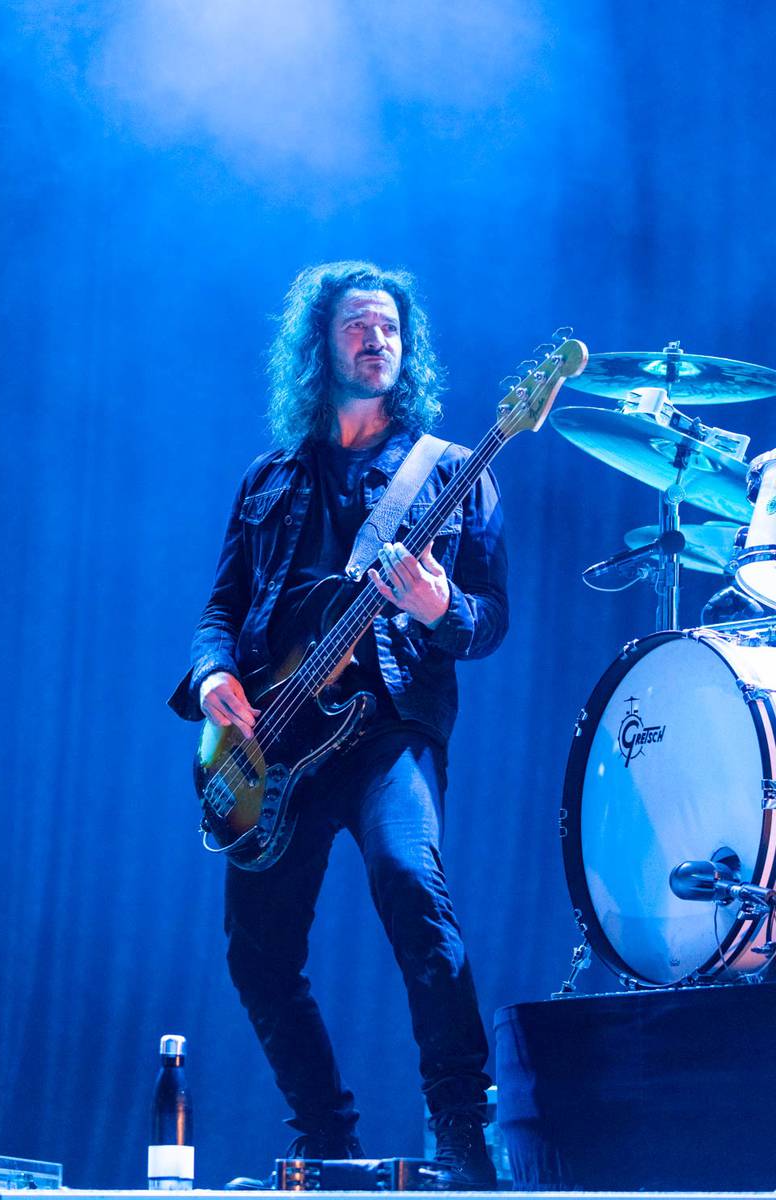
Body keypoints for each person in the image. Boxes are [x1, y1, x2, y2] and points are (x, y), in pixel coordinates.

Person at [168, 260, 509, 1188]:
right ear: (321, 343)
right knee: (257, 955)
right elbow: (220, 609)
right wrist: (213, 682)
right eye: (359, 324)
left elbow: (489, 619)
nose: (378, 338)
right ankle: (326, 1139)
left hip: (385, 727)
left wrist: (440, 608)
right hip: (272, 744)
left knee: (412, 885)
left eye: (392, 327)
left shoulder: (446, 472)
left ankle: (462, 1128)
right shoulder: (268, 479)